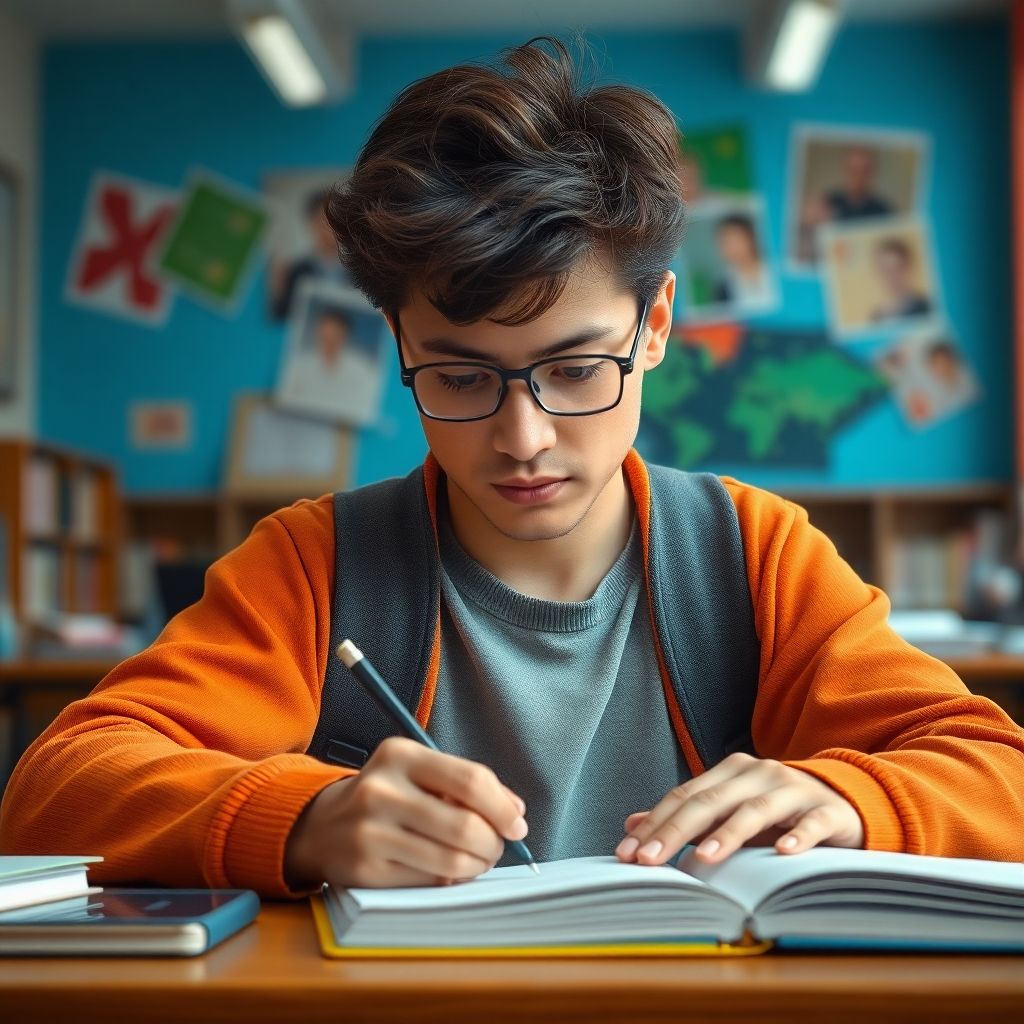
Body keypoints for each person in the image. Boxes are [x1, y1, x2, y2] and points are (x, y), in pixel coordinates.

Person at [2, 37, 1022, 898]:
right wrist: (305, 816)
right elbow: (53, 790)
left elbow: (998, 776)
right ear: (397, 340)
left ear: (654, 324)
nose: (523, 437)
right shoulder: (318, 565)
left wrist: (857, 796)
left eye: (576, 368)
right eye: (456, 374)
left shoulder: (755, 556)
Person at [278, 303, 382, 425]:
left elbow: (364, 411)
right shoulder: (300, 365)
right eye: (325, 336)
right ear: (318, 333)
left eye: (334, 336)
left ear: (345, 336)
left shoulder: (363, 370)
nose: (328, 342)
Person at [269, 188, 351, 322]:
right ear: (311, 224)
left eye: (332, 221)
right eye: (320, 221)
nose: (327, 228)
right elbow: (281, 317)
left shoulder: (358, 270)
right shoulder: (296, 270)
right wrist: (279, 291)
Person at [710, 213, 773, 310]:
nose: (733, 249)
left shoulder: (775, 268)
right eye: (726, 243)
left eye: (738, 240)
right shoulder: (722, 290)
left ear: (751, 238)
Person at [870, 237, 932, 324]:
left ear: (908, 268)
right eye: (885, 270)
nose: (891, 277)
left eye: (897, 269)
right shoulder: (877, 316)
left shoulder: (926, 307)